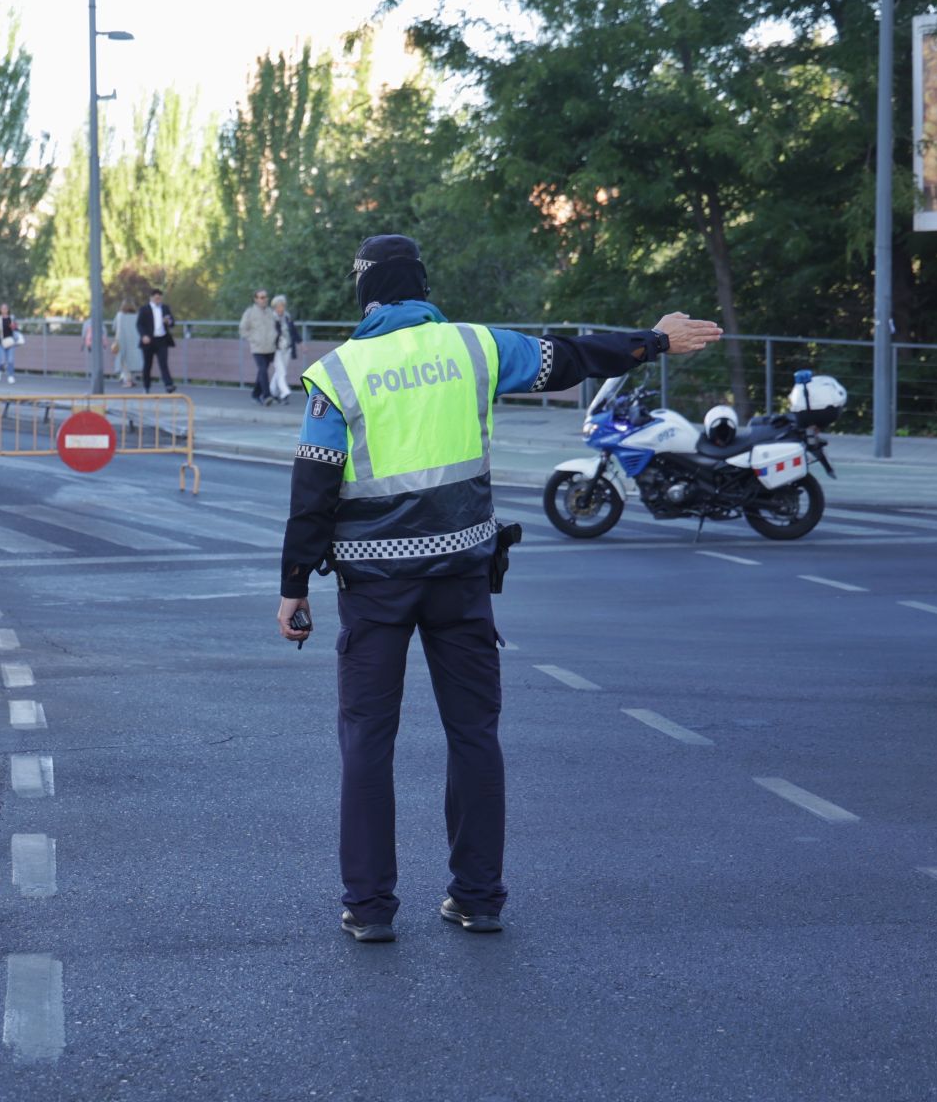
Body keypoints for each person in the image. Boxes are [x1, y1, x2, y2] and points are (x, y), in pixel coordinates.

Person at [275, 234, 721, 944]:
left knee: (367, 743)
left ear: (364, 292)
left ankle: (369, 908)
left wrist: (294, 584)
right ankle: (477, 897)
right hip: (461, 580)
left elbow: (314, 484)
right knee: (474, 736)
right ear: (422, 286)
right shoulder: (476, 349)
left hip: (375, 589)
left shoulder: (339, 374)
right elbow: (570, 356)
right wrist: (653, 342)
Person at [240, 289, 279, 405]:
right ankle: (267, 395)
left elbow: (278, 326)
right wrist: (253, 339)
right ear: (256, 299)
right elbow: (243, 328)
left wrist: (275, 338)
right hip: (257, 347)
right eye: (261, 297)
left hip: (270, 347)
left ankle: (255, 394)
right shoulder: (250, 312)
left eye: (266, 297)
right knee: (262, 369)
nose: (264, 299)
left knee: (263, 371)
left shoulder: (270, 312)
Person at [136, 288, 177, 393]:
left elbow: (172, 323)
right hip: (149, 340)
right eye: (156, 298)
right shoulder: (145, 309)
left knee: (163, 363)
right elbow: (139, 324)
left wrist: (169, 321)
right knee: (147, 364)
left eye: (160, 298)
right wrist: (144, 335)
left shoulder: (165, 308)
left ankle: (169, 385)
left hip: (162, 339)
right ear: (151, 298)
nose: (158, 300)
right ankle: (146, 386)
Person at [269, 295, 299, 405]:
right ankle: (285, 393)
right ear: (275, 307)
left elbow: (294, 331)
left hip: (287, 348)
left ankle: (271, 391)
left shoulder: (287, 317)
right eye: (278, 306)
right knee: (282, 372)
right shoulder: (271, 318)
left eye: (282, 305)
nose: (281, 308)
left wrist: (301, 343)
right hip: (276, 349)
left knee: (279, 372)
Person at [112, 301, 143, 389]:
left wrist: (116, 339)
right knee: (132, 360)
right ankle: (130, 379)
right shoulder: (137, 315)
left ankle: (127, 381)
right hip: (135, 340)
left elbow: (115, 327)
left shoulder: (120, 315)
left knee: (123, 360)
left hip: (122, 339)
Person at [0, 303, 18, 384]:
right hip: (0, 343)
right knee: (2, 361)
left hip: (10, 342)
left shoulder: (11, 318)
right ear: (0, 310)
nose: (4, 310)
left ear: (8, 309)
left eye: (6, 308)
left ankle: (10, 376)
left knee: (10, 360)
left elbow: (15, 329)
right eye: (2, 308)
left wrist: (14, 328)